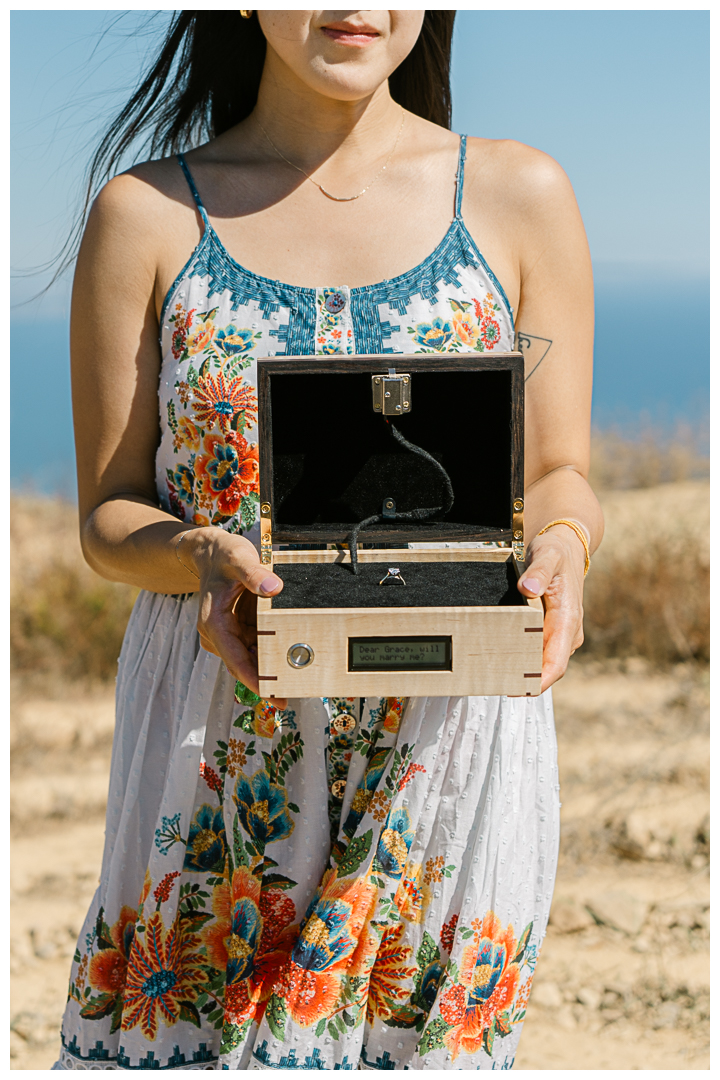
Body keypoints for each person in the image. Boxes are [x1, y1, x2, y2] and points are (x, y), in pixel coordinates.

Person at [53, 10, 602, 1071]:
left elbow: (558, 471)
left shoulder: (522, 194)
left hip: (450, 731)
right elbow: (110, 517)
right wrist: (206, 557)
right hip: (216, 725)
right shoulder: (147, 214)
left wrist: (568, 543)